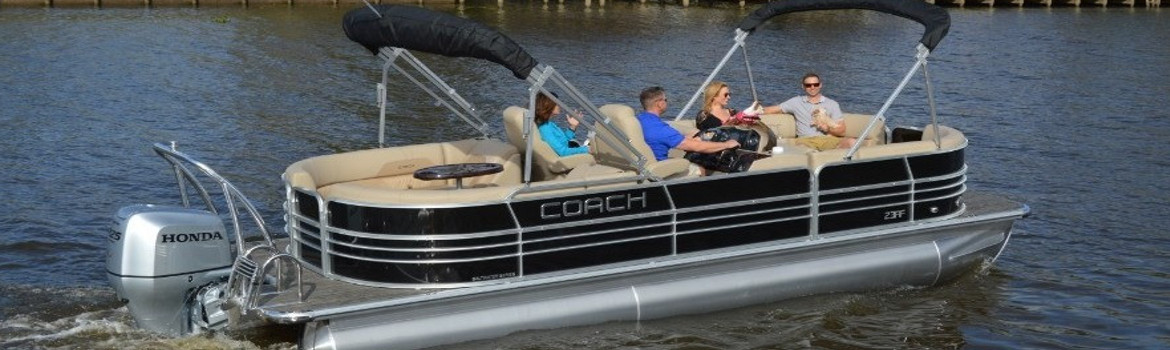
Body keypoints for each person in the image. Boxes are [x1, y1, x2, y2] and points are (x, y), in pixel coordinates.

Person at [635, 86, 739, 166]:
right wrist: (727, 145)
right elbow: (697, 147)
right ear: (659, 104)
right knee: (699, 168)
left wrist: (692, 139)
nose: (666, 102)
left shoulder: (640, 120)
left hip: (645, 163)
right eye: (665, 100)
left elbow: (671, 138)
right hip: (658, 168)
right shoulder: (659, 128)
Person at [772, 73, 857, 151]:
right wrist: (759, 111)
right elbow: (774, 109)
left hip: (828, 139)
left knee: (851, 142)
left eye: (815, 84)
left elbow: (842, 131)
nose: (812, 87)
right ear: (803, 86)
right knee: (802, 149)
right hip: (806, 141)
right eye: (808, 85)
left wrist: (827, 129)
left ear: (820, 85)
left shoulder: (832, 104)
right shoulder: (795, 102)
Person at [534, 92, 589, 156]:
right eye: (557, 104)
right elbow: (563, 152)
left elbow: (564, 141)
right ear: (549, 106)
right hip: (565, 161)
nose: (559, 106)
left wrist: (572, 126)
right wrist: (587, 149)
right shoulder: (545, 128)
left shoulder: (548, 124)